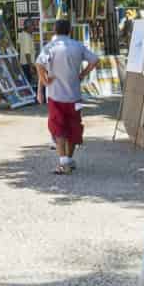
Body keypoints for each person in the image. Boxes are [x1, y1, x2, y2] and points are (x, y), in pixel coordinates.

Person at [36, 18, 97, 174]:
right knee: (74, 126)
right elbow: (94, 60)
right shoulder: (78, 46)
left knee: (58, 127)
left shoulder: (50, 47)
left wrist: (44, 80)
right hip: (75, 96)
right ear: (70, 30)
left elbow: (39, 63)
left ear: (54, 31)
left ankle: (63, 162)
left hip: (55, 95)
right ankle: (69, 159)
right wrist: (82, 74)